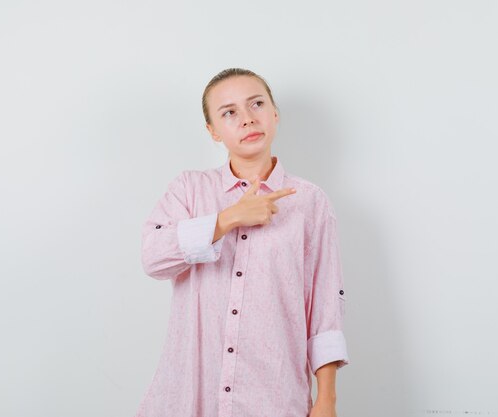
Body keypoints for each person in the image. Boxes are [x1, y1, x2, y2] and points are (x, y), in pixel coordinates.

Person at [135, 68, 350, 417]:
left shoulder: (310, 203)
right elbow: (153, 258)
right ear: (213, 131)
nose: (247, 119)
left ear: (275, 113)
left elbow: (325, 307)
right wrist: (228, 218)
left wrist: (327, 400)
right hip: (191, 397)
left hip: (273, 398)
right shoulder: (189, 190)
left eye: (256, 104)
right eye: (229, 112)